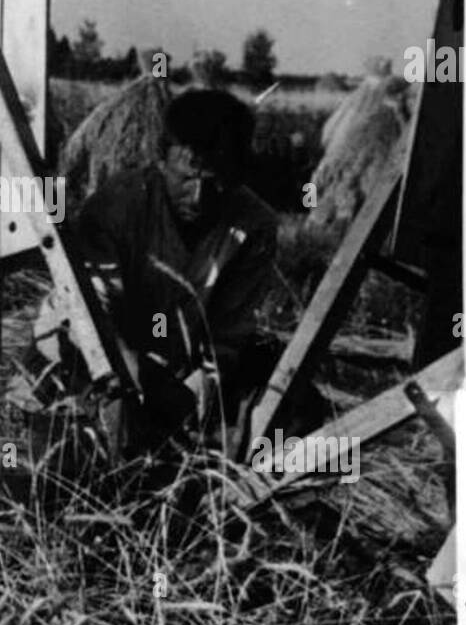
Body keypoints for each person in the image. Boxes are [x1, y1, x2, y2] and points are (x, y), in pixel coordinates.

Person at [19, 89, 279, 462]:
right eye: (188, 177)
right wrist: (136, 376)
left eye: (216, 179)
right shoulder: (120, 204)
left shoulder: (255, 225)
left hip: (176, 369)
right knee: (68, 459)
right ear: (162, 161)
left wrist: (206, 379)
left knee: (270, 406)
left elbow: (230, 325)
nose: (200, 196)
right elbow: (94, 307)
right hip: (89, 350)